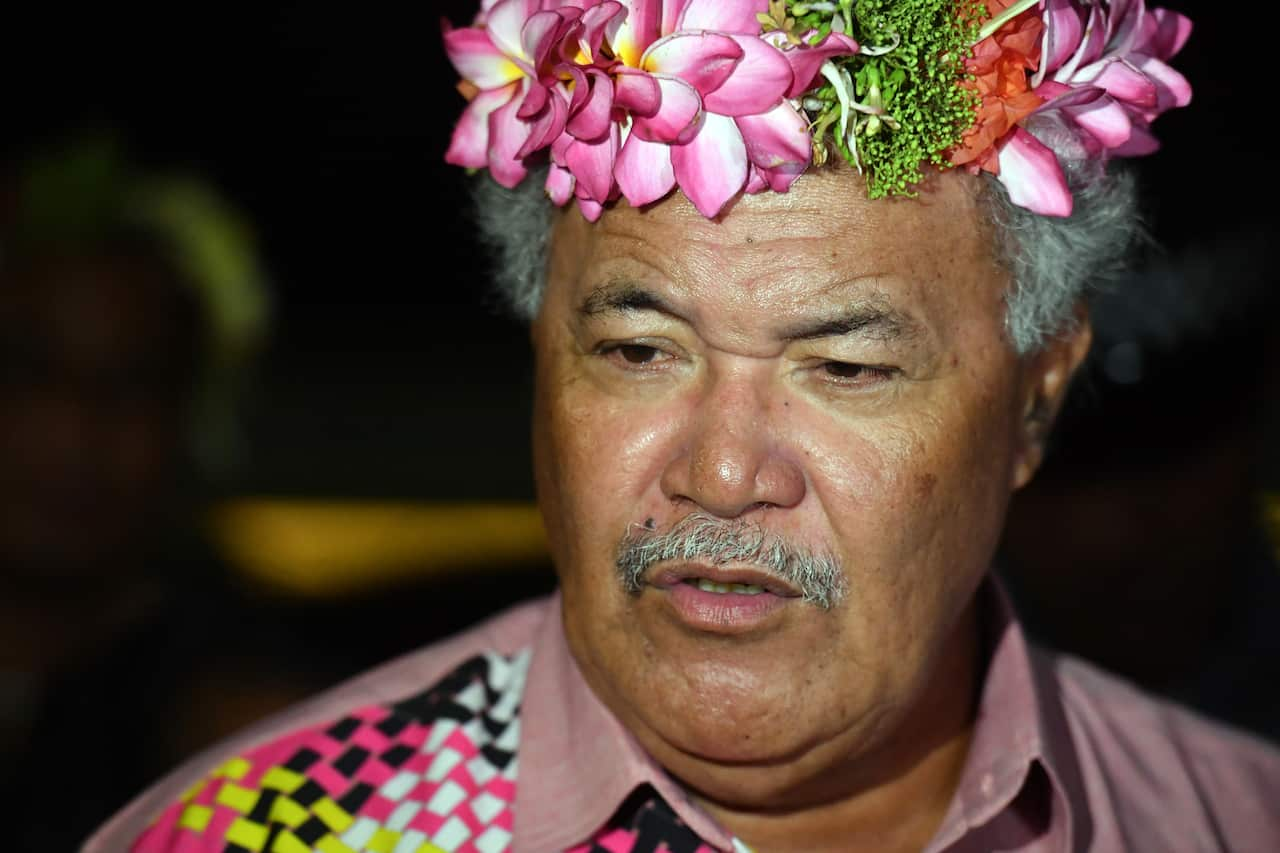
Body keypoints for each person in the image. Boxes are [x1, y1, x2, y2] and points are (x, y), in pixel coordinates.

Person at [87, 1, 1280, 851]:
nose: (719, 471)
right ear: (539, 352)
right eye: (639, 351)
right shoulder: (281, 832)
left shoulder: (1228, 817)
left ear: (1035, 396)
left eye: (846, 365)